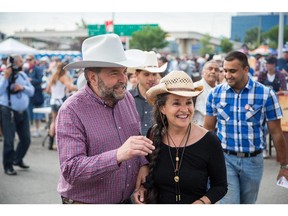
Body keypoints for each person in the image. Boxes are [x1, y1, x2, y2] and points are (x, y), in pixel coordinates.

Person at [56, 34, 155, 204]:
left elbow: (135, 143)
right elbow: (71, 170)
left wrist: (143, 164)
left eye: (124, 72)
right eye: (114, 73)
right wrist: (117, 155)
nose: (123, 79)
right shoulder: (71, 111)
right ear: (92, 77)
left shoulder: (127, 99)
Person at [204, 51, 288, 204]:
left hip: (253, 161)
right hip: (224, 160)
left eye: (232, 71)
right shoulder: (215, 94)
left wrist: (284, 165)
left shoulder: (266, 94)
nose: (227, 75)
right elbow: (208, 130)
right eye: (225, 70)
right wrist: (205, 163)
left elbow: (276, 133)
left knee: (248, 204)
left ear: (246, 70)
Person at [132, 70, 227, 204]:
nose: (184, 109)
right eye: (176, 103)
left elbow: (220, 186)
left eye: (188, 102)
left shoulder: (210, 141)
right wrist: (142, 188)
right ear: (162, 108)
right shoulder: (153, 135)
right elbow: (149, 172)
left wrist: (202, 202)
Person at [0, 55, 35, 175]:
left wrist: (22, 87)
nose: (22, 63)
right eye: (20, 61)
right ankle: (8, 166)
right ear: (14, 63)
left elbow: (32, 91)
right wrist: (6, 77)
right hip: (8, 111)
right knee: (9, 140)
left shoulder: (23, 75)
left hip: (23, 112)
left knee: (26, 139)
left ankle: (17, 159)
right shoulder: (4, 75)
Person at [129, 51, 167, 136]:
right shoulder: (126, 98)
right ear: (137, 75)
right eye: (146, 74)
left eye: (154, 74)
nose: (151, 78)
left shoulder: (162, 98)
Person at [46, 62, 78, 150]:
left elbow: (48, 90)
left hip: (53, 101)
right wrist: (79, 87)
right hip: (60, 101)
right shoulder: (63, 77)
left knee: (53, 121)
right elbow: (70, 87)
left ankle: (50, 143)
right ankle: (57, 144)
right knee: (60, 123)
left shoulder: (53, 77)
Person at [193, 60, 220, 126]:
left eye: (216, 70)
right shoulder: (196, 87)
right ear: (203, 72)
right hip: (199, 127)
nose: (213, 71)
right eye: (210, 69)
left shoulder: (220, 90)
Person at [24, 55, 45, 138]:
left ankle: (37, 129)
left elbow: (40, 80)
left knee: (37, 113)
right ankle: (28, 130)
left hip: (37, 94)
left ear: (33, 60)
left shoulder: (37, 69)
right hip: (29, 94)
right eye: (27, 60)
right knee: (28, 112)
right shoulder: (26, 70)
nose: (28, 61)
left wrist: (31, 80)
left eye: (29, 59)